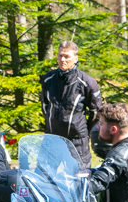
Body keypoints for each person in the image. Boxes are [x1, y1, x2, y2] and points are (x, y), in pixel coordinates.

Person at [40, 41, 102, 169]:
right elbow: (45, 106)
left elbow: (96, 112)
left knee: (79, 181)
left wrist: (84, 131)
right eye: (60, 55)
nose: (62, 59)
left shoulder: (87, 82)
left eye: (67, 56)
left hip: (77, 142)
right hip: (52, 139)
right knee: (44, 180)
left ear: (75, 58)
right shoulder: (48, 79)